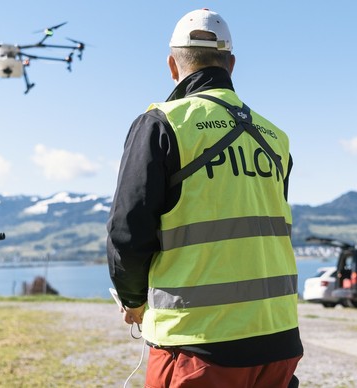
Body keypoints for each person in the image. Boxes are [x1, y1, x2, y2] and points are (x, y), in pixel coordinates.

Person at [106, 8, 303, 388]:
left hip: (196, 344)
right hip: (278, 339)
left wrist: (133, 301)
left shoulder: (163, 124)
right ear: (231, 64)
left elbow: (127, 230)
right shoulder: (276, 138)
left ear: (172, 65)